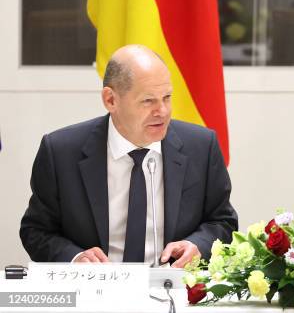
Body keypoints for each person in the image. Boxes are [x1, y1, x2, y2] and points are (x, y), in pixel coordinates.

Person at [20, 45, 238, 266]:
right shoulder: (60, 151)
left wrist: (198, 245)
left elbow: (223, 221)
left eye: (167, 97)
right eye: (148, 100)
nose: (162, 111)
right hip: (94, 291)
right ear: (111, 100)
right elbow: (36, 231)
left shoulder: (201, 146)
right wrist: (75, 258)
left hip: (173, 290)